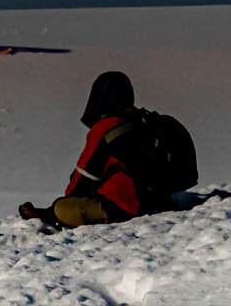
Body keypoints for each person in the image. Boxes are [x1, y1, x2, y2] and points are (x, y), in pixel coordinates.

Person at [19, 70, 161, 230]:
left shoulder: (107, 127)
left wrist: (67, 204)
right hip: (155, 201)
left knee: (62, 207)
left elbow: (83, 178)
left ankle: (51, 216)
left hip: (126, 207)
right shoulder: (141, 121)